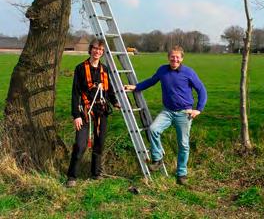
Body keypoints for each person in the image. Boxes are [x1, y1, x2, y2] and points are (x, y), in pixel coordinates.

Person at [124, 45, 207, 185]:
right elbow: (151, 81)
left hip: (184, 114)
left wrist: (198, 109)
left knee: (183, 145)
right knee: (153, 129)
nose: (174, 59)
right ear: (168, 57)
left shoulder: (188, 72)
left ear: (182, 58)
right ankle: (157, 158)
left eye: (177, 57)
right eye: (172, 56)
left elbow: (201, 90)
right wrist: (136, 87)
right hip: (167, 111)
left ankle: (182, 174)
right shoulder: (162, 70)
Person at [66, 38, 120, 187]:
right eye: (95, 48)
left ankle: (95, 173)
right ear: (90, 49)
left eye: (101, 50)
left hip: (101, 111)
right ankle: (72, 176)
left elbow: (109, 90)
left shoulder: (105, 70)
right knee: (80, 144)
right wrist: (76, 115)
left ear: (103, 53)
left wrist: (115, 102)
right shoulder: (80, 68)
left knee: (99, 143)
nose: (98, 52)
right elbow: (75, 93)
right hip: (85, 111)